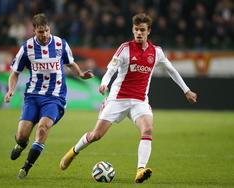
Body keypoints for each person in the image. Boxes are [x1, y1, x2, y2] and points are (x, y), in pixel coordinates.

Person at [59, 13, 197, 183]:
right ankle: (73, 152)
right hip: (118, 99)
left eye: (142, 30)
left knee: (147, 130)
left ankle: (140, 169)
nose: (139, 33)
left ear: (149, 31)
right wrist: (104, 84)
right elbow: (111, 69)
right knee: (96, 135)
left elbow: (172, 70)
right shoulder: (125, 48)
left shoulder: (157, 52)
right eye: (136, 29)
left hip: (139, 101)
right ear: (133, 30)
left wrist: (187, 91)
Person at [4, 13, 94, 179]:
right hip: (33, 96)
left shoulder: (60, 43)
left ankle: (25, 168)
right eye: (40, 32)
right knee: (22, 136)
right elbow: (14, 72)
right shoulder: (26, 48)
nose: (44, 35)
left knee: (43, 128)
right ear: (34, 31)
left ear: (49, 28)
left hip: (55, 97)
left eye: (46, 31)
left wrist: (80, 73)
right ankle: (20, 144)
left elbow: (70, 62)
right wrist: (10, 90)